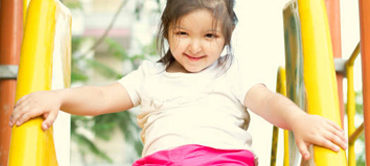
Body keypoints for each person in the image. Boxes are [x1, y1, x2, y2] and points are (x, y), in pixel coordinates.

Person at [10, 0, 347, 165]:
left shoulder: (231, 73)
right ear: (166, 30)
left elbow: (268, 102)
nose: (194, 46)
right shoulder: (150, 77)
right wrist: (58, 97)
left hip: (222, 161)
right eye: (182, 33)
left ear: (227, 36)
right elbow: (100, 96)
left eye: (209, 35)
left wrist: (299, 120)